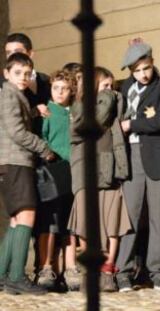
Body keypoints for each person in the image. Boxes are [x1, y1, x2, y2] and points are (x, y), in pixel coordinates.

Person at [116, 39, 160, 291]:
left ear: (153, 63)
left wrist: (133, 124)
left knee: (159, 217)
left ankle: (159, 271)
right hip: (131, 156)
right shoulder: (125, 89)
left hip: (159, 157)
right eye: (137, 70)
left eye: (147, 68)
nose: (143, 74)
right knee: (129, 215)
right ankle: (123, 270)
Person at [68, 66, 132, 292]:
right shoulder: (79, 106)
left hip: (110, 167)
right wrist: (106, 97)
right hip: (85, 169)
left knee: (110, 220)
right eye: (105, 86)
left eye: (112, 87)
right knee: (86, 222)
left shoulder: (116, 103)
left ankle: (107, 270)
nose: (110, 91)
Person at [0, 52, 55, 295]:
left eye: (27, 73)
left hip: (10, 163)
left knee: (15, 219)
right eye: (17, 73)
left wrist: (33, 111)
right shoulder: (9, 94)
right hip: (16, 162)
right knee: (27, 215)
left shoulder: (14, 95)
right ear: (6, 74)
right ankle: (17, 277)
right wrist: (44, 149)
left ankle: (3, 274)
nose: (23, 78)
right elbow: (16, 132)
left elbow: (13, 122)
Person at [34, 70, 78, 290]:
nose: (60, 92)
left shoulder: (75, 113)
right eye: (56, 88)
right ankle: (46, 267)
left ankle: (70, 268)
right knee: (48, 222)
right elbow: (41, 139)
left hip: (73, 173)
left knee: (70, 224)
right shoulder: (48, 112)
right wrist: (49, 155)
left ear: (72, 91)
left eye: (65, 88)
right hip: (52, 173)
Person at [1, 33, 51, 117]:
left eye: (18, 51)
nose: (13, 56)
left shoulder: (47, 80)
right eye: (9, 53)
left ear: (30, 54)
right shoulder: (1, 85)